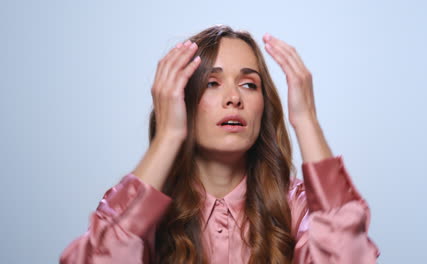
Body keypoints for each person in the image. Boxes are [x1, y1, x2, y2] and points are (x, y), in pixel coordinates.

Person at [59, 25, 380, 264]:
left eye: (249, 84)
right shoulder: (142, 210)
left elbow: (348, 256)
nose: (233, 98)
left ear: (263, 105)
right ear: (183, 100)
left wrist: (307, 120)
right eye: (212, 83)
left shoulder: (295, 205)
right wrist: (169, 136)